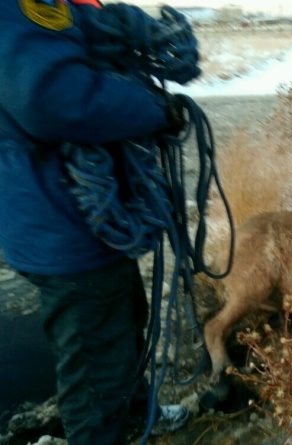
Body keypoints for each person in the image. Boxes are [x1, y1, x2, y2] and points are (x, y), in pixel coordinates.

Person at [0, 0, 191, 443]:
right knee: (93, 364)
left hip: (78, 226)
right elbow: (53, 99)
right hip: (63, 226)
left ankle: (138, 413)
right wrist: (154, 106)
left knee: (123, 323)